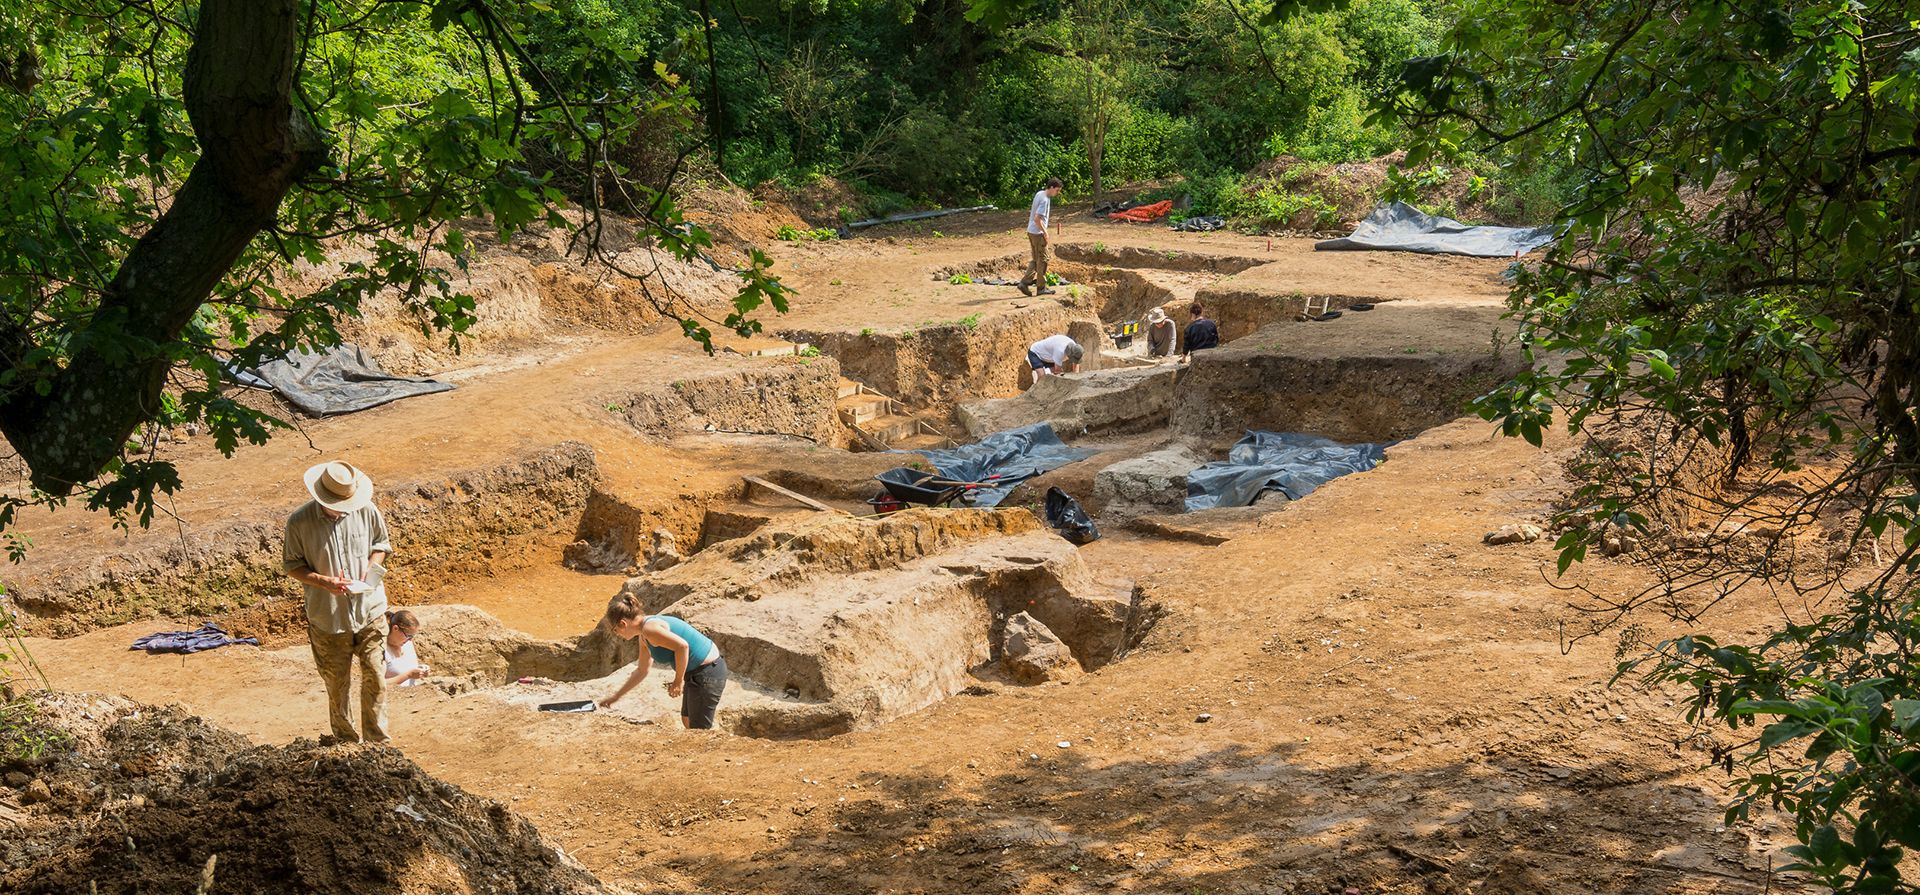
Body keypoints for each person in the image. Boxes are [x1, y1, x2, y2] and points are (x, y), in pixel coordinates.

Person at [283, 460, 393, 744]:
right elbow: (292, 565)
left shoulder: (366, 509)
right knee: (337, 686)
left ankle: (378, 744)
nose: (345, 509)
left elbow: (381, 544)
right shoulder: (299, 522)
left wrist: (372, 566)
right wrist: (323, 581)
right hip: (328, 618)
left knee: (376, 676)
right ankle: (346, 744)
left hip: (369, 610)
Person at [597, 594, 728, 730]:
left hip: (708, 672)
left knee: (699, 730)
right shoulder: (644, 635)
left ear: (623, 624)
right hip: (697, 673)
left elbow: (682, 646)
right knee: (687, 720)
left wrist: (678, 681)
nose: (618, 635)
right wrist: (617, 696)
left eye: (616, 630)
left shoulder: (650, 629)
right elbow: (642, 670)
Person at [1017, 177, 1064, 297]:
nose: (1057, 193)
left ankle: (1025, 283)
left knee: (1036, 259)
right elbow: (1037, 219)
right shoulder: (1044, 200)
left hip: (1031, 232)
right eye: (1057, 190)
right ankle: (1040, 287)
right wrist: (1045, 232)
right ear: (1052, 187)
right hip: (1038, 233)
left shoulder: (1040, 193)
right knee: (1043, 260)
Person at [383, 610, 430, 687]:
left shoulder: (407, 644)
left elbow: (405, 668)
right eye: (408, 636)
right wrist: (408, 675)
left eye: (412, 636)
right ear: (395, 628)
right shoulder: (381, 650)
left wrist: (420, 670)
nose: (410, 640)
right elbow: (378, 684)